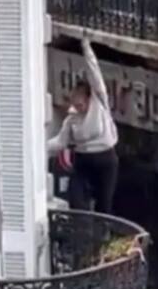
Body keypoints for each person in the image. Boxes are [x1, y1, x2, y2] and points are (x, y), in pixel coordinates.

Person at [47, 36, 119, 214]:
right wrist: (38, 147)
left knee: (104, 206)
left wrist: (86, 48)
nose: (78, 108)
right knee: (77, 200)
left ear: (88, 100)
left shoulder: (99, 103)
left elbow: (94, 74)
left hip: (105, 159)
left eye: (80, 105)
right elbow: (60, 142)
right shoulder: (72, 118)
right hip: (83, 161)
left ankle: (101, 230)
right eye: (75, 105)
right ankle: (82, 227)